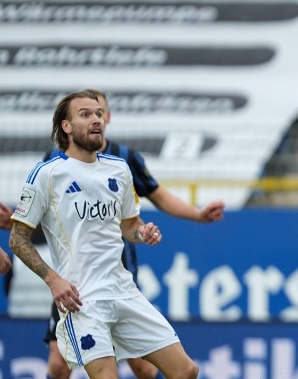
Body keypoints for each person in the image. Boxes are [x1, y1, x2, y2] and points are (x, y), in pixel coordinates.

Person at [33, 88, 224, 379]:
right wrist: (50, 275)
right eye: (86, 113)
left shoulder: (123, 162)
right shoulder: (51, 168)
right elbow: (37, 217)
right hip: (76, 288)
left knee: (150, 369)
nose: (96, 118)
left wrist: (155, 227)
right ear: (67, 125)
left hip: (120, 280)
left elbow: (149, 204)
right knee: (59, 364)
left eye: (99, 112)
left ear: (108, 117)